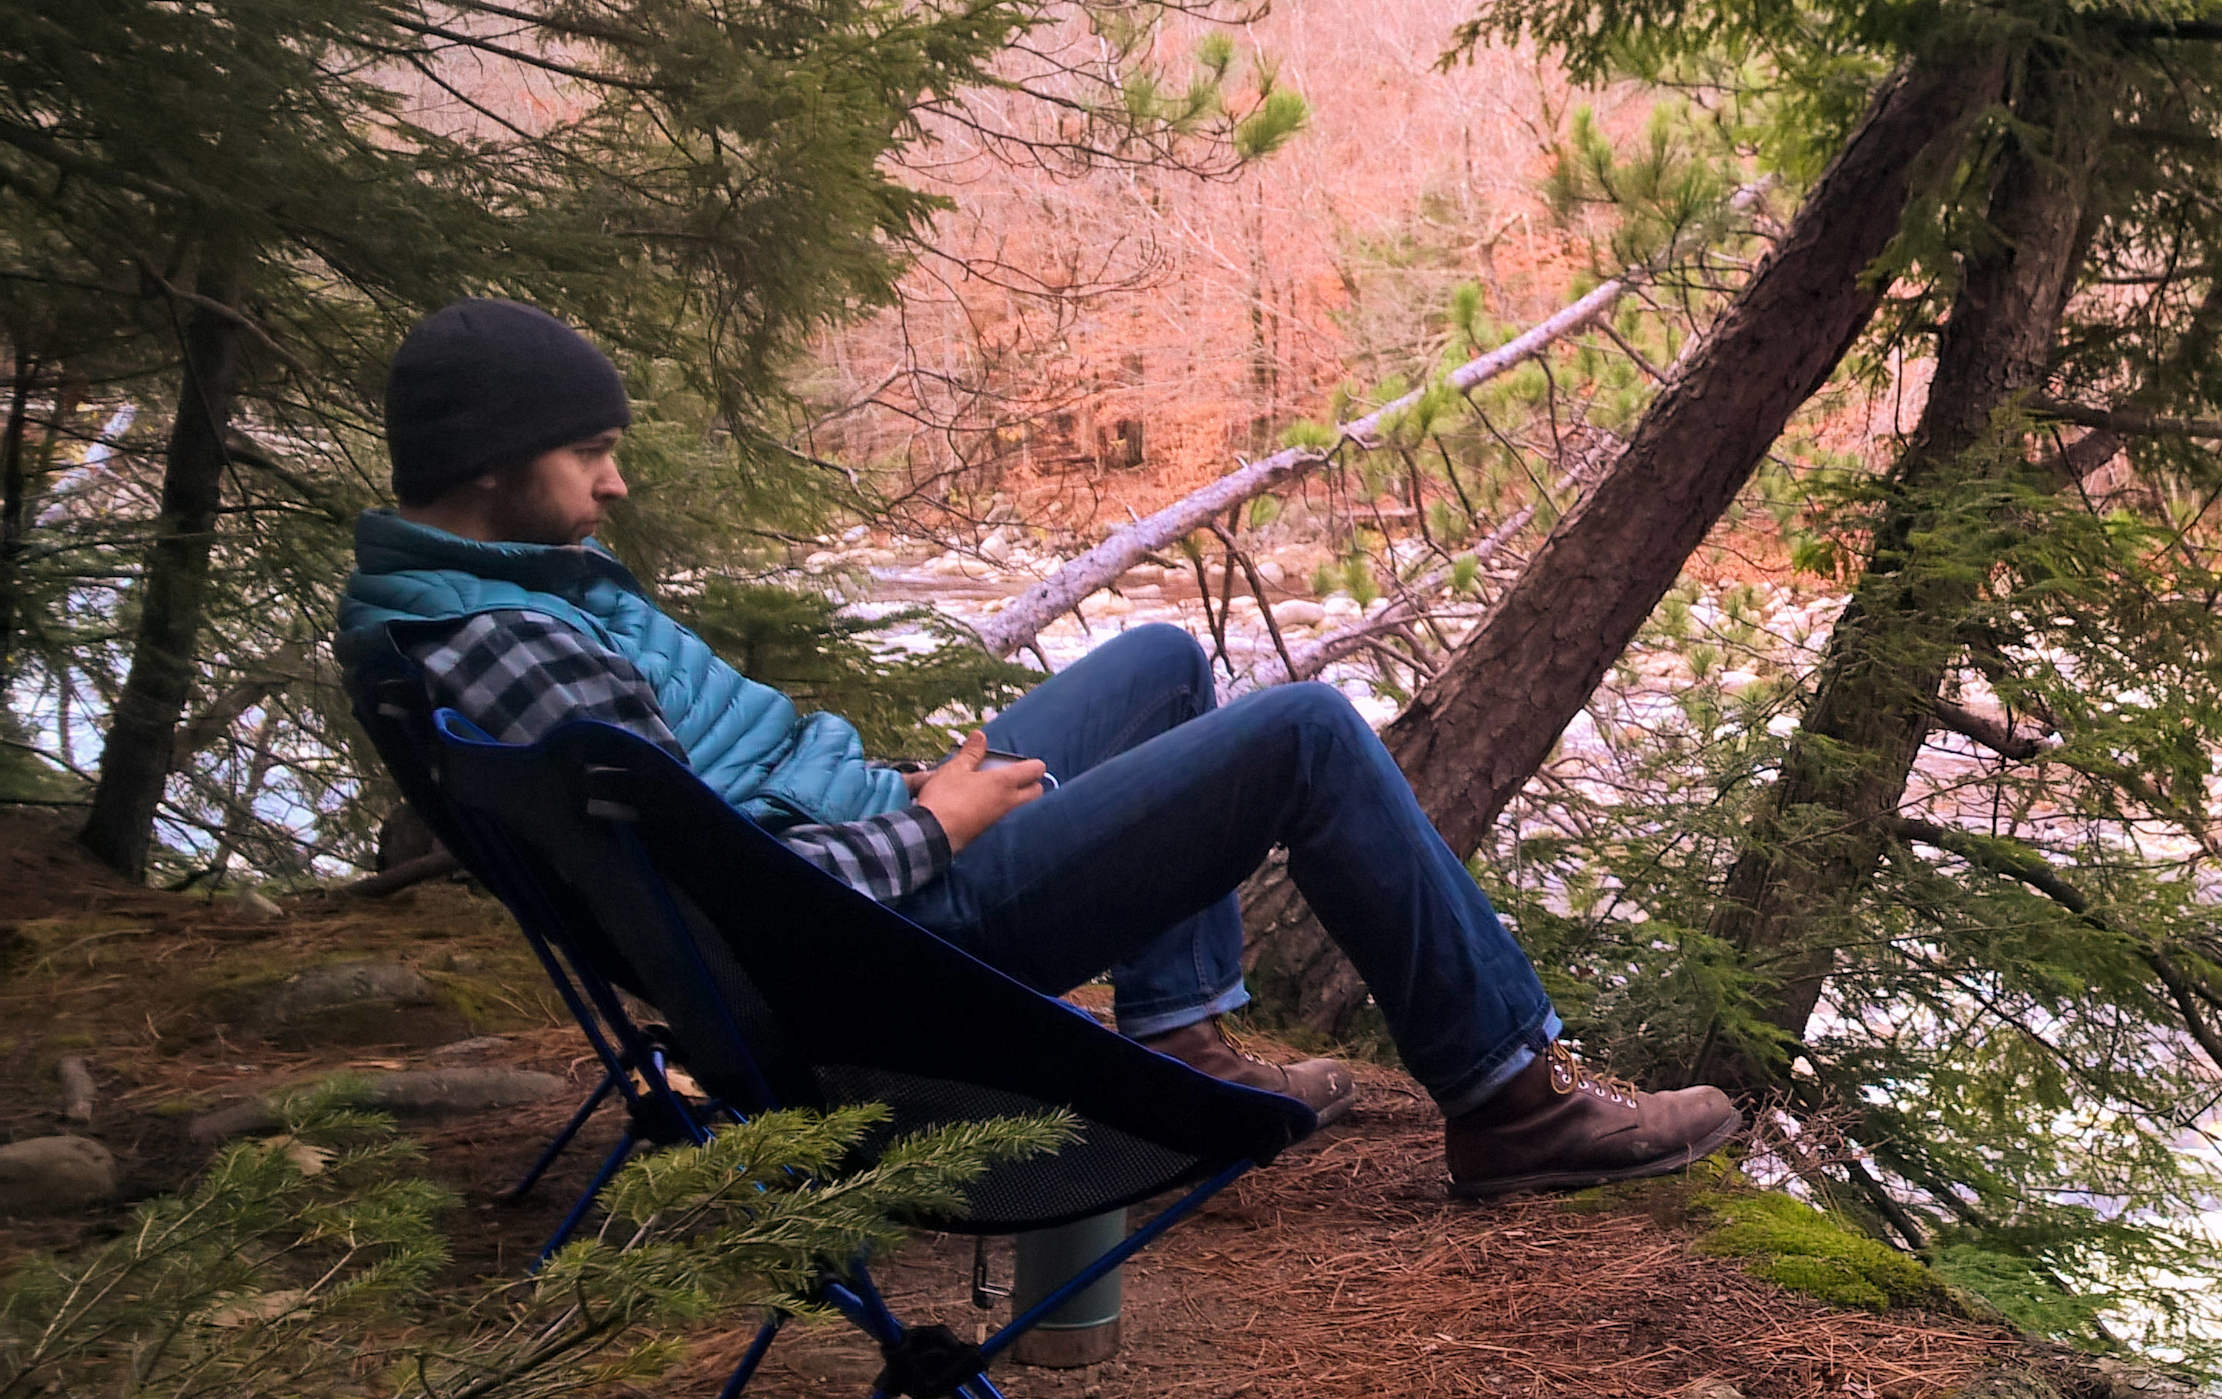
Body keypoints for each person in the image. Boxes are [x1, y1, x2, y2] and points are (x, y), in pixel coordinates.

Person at [333, 298, 1742, 1200]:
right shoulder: (511, 646)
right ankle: (1513, 1099)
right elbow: (740, 886)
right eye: (590, 453)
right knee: (1307, 733)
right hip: (885, 944)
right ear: (492, 462)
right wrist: (935, 823)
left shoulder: (481, 608)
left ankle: (1183, 1034)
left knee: (1162, 661)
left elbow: (703, 828)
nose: (617, 480)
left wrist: (898, 801)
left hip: (860, 882)